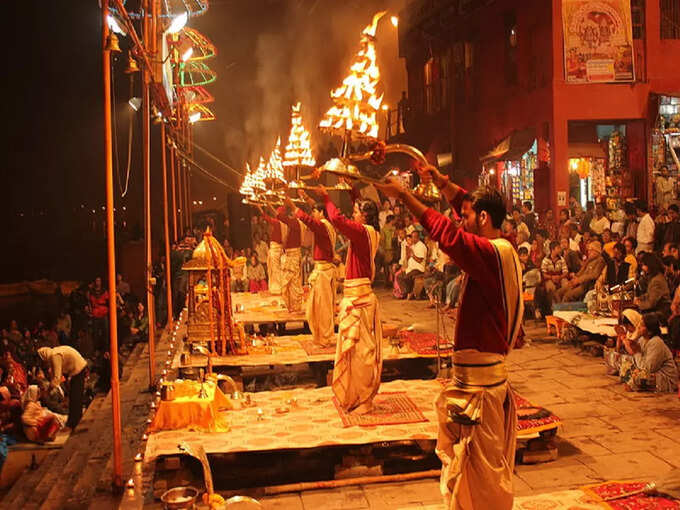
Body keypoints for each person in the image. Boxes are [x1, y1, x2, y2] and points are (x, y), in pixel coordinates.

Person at [377, 165, 522, 510]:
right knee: (468, 475)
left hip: (482, 391)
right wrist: (440, 182)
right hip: (475, 383)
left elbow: (449, 236)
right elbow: (464, 210)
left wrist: (405, 196)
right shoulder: (499, 245)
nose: (461, 218)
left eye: (467, 215)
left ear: (484, 218)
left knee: (482, 479)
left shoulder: (490, 254)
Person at [314, 185, 381, 415]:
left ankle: (365, 399)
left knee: (362, 354)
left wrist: (325, 196)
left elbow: (337, 219)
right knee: (352, 353)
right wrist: (352, 190)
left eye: (356, 212)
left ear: (365, 216)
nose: (353, 214)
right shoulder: (366, 231)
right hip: (355, 297)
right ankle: (355, 395)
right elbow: (351, 212)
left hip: (360, 301)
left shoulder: (363, 233)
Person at [287, 196, 337, 347]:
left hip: (324, 272)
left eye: (315, 211)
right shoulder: (324, 225)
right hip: (320, 270)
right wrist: (307, 198)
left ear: (321, 213)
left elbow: (309, 221)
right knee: (314, 308)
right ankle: (320, 337)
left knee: (322, 308)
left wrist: (293, 206)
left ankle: (325, 338)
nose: (313, 214)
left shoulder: (323, 226)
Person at [619, 313, 678, 392]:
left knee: (640, 376)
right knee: (625, 363)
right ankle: (634, 383)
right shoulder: (642, 340)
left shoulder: (656, 342)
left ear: (649, 331)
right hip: (647, 370)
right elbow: (636, 360)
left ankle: (636, 385)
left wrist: (637, 352)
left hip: (664, 378)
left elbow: (648, 369)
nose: (639, 327)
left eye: (642, 325)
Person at [37, 345, 87, 430]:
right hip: (75, 370)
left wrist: (48, 390)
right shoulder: (53, 354)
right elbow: (54, 374)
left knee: (75, 396)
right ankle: (73, 420)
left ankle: (75, 421)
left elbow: (57, 377)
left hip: (78, 368)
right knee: (74, 396)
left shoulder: (54, 355)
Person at [275, 205, 306, 313]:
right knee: (288, 283)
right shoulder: (293, 224)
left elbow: (280, 216)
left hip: (293, 256)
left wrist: (281, 206)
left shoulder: (296, 223)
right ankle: (291, 306)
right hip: (289, 256)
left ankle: (295, 306)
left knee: (293, 283)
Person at [634, 253, 671, 322]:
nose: (642, 268)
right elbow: (649, 294)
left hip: (660, 313)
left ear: (650, 265)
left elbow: (651, 303)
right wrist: (639, 298)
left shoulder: (657, 280)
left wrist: (638, 304)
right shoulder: (655, 277)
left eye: (644, 265)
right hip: (656, 310)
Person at [259, 206, 287, 295]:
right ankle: (278, 288)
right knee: (276, 269)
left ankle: (277, 289)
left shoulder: (278, 223)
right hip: (280, 249)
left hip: (276, 249)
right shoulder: (285, 225)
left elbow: (266, 217)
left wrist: (259, 207)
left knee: (275, 270)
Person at [535, 241, 568, 317]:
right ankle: (555, 309)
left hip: (560, 278)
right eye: (558, 248)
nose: (560, 249)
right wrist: (552, 277)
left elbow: (565, 272)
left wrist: (560, 277)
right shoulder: (545, 260)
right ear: (552, 249)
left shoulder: (561, 259)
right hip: (549, 279)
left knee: (566, 284)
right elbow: (543, 274)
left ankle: (565, 307)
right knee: (551, 287)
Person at [397, 231, 427, 299]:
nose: (412, 239)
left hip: (418, 268)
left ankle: (410, 292)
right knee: (399, 276)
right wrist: (407, 250)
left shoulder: (421, 246)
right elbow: (408, 257)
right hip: (411, 268)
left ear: (417, 238)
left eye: (413, 237)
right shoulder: (413, 245)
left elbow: (420, 260)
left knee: (407, 277)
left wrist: (412, 255)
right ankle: (406, 292)